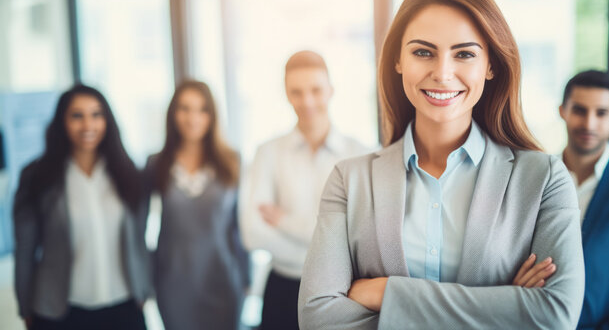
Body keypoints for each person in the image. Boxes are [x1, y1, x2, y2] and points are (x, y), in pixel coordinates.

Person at [298, 0, 585, 329]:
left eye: (464, 54)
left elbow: (555, 315)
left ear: (491, 64)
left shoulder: (544, 180)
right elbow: (317, 318)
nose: (443, 73)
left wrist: (390, 294)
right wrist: (502, 306)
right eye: (423, 52)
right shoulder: (349, 180)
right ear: (398, 61)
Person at [240, 50, 368, 330]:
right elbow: (253, 233)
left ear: (331, 90)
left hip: (341, 292)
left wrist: (284, 221)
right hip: (283, 289)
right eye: (296, 92)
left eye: (315, 90)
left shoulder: (359, 156)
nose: (307, 101)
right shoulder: (267, 153)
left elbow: (360, 234)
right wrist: (330, 238)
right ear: (286, 94)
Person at [13, 84, 150, 330]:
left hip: (124, 307)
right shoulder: (37, 176)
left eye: (96, 115)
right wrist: (25, 307)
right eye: (77, 116)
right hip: (60, 311)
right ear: (61, 122)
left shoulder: (129, 173)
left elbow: (139, 240)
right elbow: (25, 250)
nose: (88, 125)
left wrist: (144, 290)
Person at [143, 80, 248, 330]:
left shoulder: (232, 161)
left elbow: (240, 226)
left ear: (212, 115)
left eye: (202, 109)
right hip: (173, 282)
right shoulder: (155, 164)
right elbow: (138, 228)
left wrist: (247, 277)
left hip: (222, 278)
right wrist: (144, 282)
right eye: (184, 109)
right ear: (172, 113)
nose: (193, 118)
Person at [558, 70, 609, 329]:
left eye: (601, 113)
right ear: (562, 111)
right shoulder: (537, 177)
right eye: (580, 110)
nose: (589, 124)